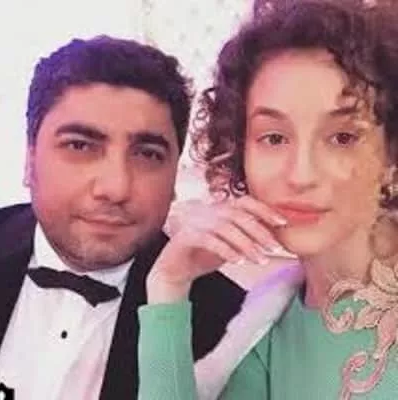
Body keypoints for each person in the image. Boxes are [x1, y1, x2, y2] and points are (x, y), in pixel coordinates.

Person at [137, 0, 398, 399]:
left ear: (392, 156)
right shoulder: (265, 328)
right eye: (274, 138)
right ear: (240, 151)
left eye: (342, 137)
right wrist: (168, 285)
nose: (300, 175)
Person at [0, 36, 248, 400]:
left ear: (174, 176)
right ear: (29, 159)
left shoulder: (232, 326)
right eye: (80, 146)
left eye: (147, 154)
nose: (115, 188)